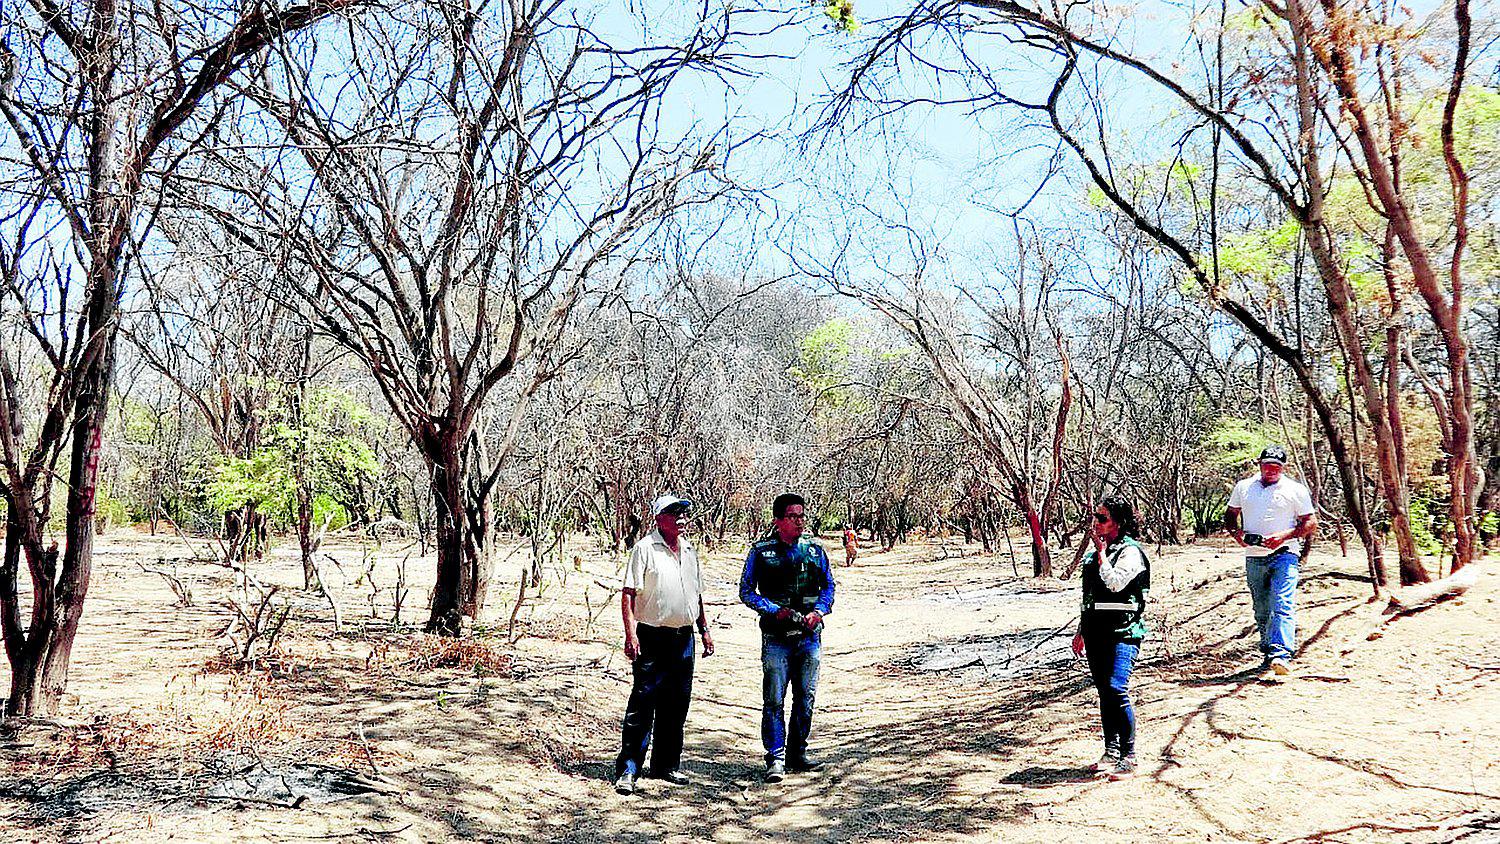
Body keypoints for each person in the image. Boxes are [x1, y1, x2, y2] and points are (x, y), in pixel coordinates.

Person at [614, 495, 715, 795]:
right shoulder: (645, 549)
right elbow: (628, 594)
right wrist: (630, 634)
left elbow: (697, 595)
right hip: (651, 637)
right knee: (643, 703)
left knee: (677, 704)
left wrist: (704, 630)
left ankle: (666, 764)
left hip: (684, 639)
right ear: (659, 519)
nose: (681, 519)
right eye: (674, 514)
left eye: (684, 513)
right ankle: (629, 769)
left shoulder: (690, 550)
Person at [740, 493, 836, 783]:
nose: (799, 521)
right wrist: (773, 610)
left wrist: (819, 612)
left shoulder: (815, 551)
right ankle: (776, 758)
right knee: (774, 699)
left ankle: (798, 752)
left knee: (805, 697)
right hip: (776, 638)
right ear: (778, 520)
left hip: (809, 637)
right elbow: (746, 591)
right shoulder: (762, 552)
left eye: (802, 516)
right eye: (793, 516)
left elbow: (828, 587)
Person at [1071, 498, 1150, 781]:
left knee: (1117, 687)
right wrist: (1081, 630)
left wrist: (1103, 555)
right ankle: (1111, 751)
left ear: (1118, 521)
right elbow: (1089, 597)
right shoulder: (1093, 556)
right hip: (1096, 632)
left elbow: (1115, 583)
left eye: (1102, 518)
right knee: (1105, 691)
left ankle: (1129, 756)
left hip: (1123, 632)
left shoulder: (1130, 552)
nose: (1096, 523)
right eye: (1095, 517)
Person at [1224, 445, 1317, 678]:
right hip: (1254, 555)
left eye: (1276, 467)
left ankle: (1281, 653)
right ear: (1260, 464)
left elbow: (1310, 523)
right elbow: (1230, 516)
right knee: (1262, 608)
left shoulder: (1295, 490)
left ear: (1283, 468)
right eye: (1267, 465)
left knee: (1282, 602)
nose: (1271, 470)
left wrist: (1284, 536)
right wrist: (1238, 536)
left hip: (1285, 553)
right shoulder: (1244, 487)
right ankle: (1268, 650)